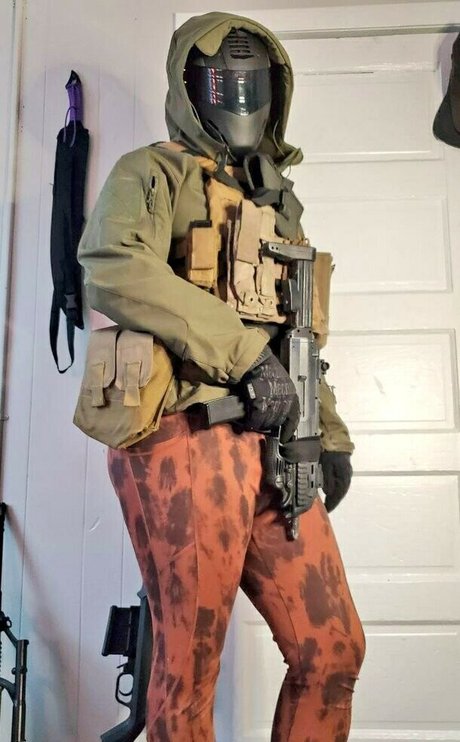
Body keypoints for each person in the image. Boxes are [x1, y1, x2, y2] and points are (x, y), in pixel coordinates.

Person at [78, 12, 365, 741]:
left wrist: (328, 434)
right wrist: (243, 357)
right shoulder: (152, 172)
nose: (240, 98)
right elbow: (115, 266)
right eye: (223, 81)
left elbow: (297, 329)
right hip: (186, 432)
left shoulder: (276, 200)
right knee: (188, 674)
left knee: (332, 651)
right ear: (191, 88)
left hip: (275, 444)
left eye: (253, 82)